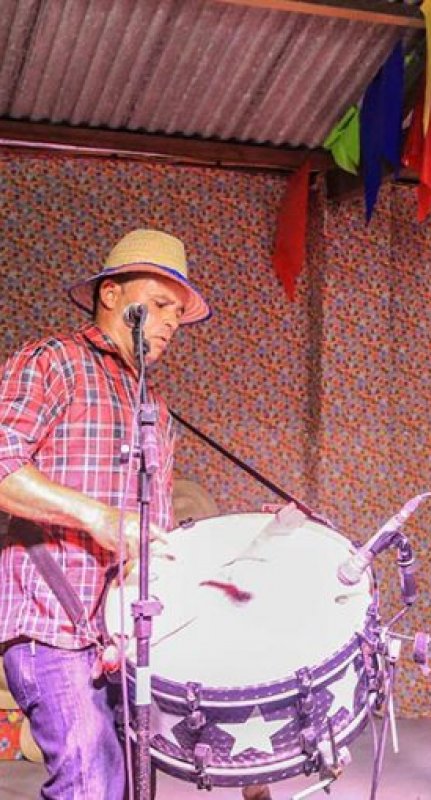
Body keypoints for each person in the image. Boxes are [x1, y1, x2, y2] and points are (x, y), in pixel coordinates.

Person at [0, 229, 209, 799]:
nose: (171, 323)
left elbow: (153, 524)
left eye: (179, 313)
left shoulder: (153, 405)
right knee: (89, 784)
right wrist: (95, 517)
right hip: (51, 624)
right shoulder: (53, 361)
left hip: (127, 633)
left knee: (134, 786)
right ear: (111, 294)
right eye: (161, 304)